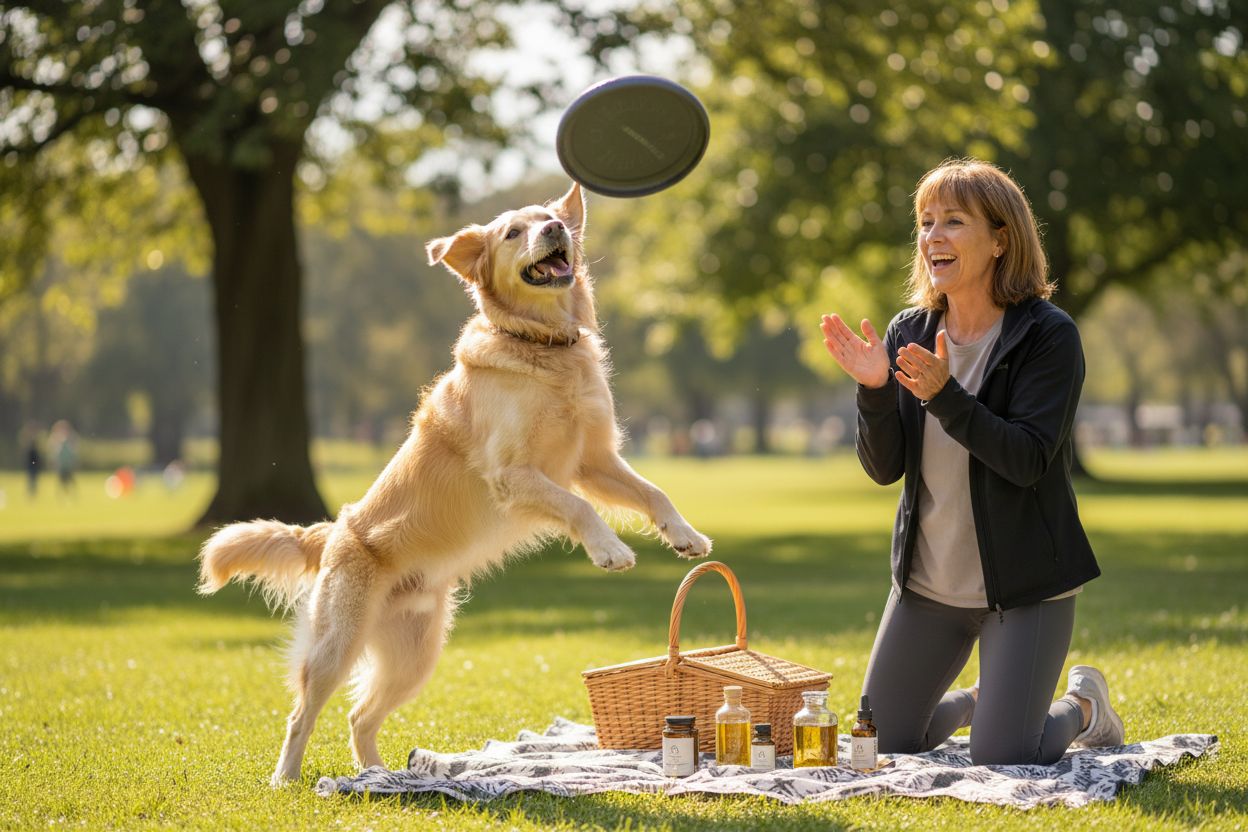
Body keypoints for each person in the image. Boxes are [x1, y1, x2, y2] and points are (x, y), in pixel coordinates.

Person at [819, 158, 1123, 765]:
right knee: (879, 747)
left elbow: (1027, 459)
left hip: (1025, 586)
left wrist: (945, 396)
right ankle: (981, 700)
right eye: (926, 222)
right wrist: (875, 390)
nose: (934, 236)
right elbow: (884, 469)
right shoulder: (909, 330)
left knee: (1004, 757)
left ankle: (1084, 707)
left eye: (954, 221)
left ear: (1000, 240)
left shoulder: (1047, 335)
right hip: (928, 584)